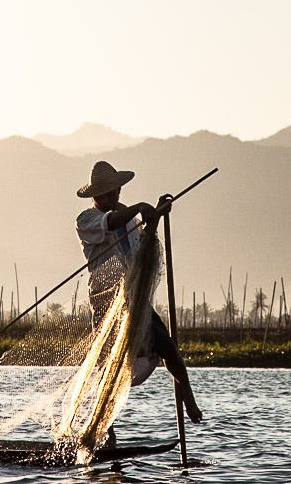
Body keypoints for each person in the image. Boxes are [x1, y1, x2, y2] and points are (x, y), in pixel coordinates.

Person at [75, 160, 202, 431]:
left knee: (168, 348)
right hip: (107, 302)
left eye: (114, 192)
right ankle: (103, 429)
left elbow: (146, 243)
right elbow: (108, 223)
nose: (110, 197)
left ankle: (188, 398)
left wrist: (154, 216)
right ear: (95, 196)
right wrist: (140, 208)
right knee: (110, 366)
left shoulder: (131, 220)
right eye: (105, 194)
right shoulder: (87, 219)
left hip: (135, 300)